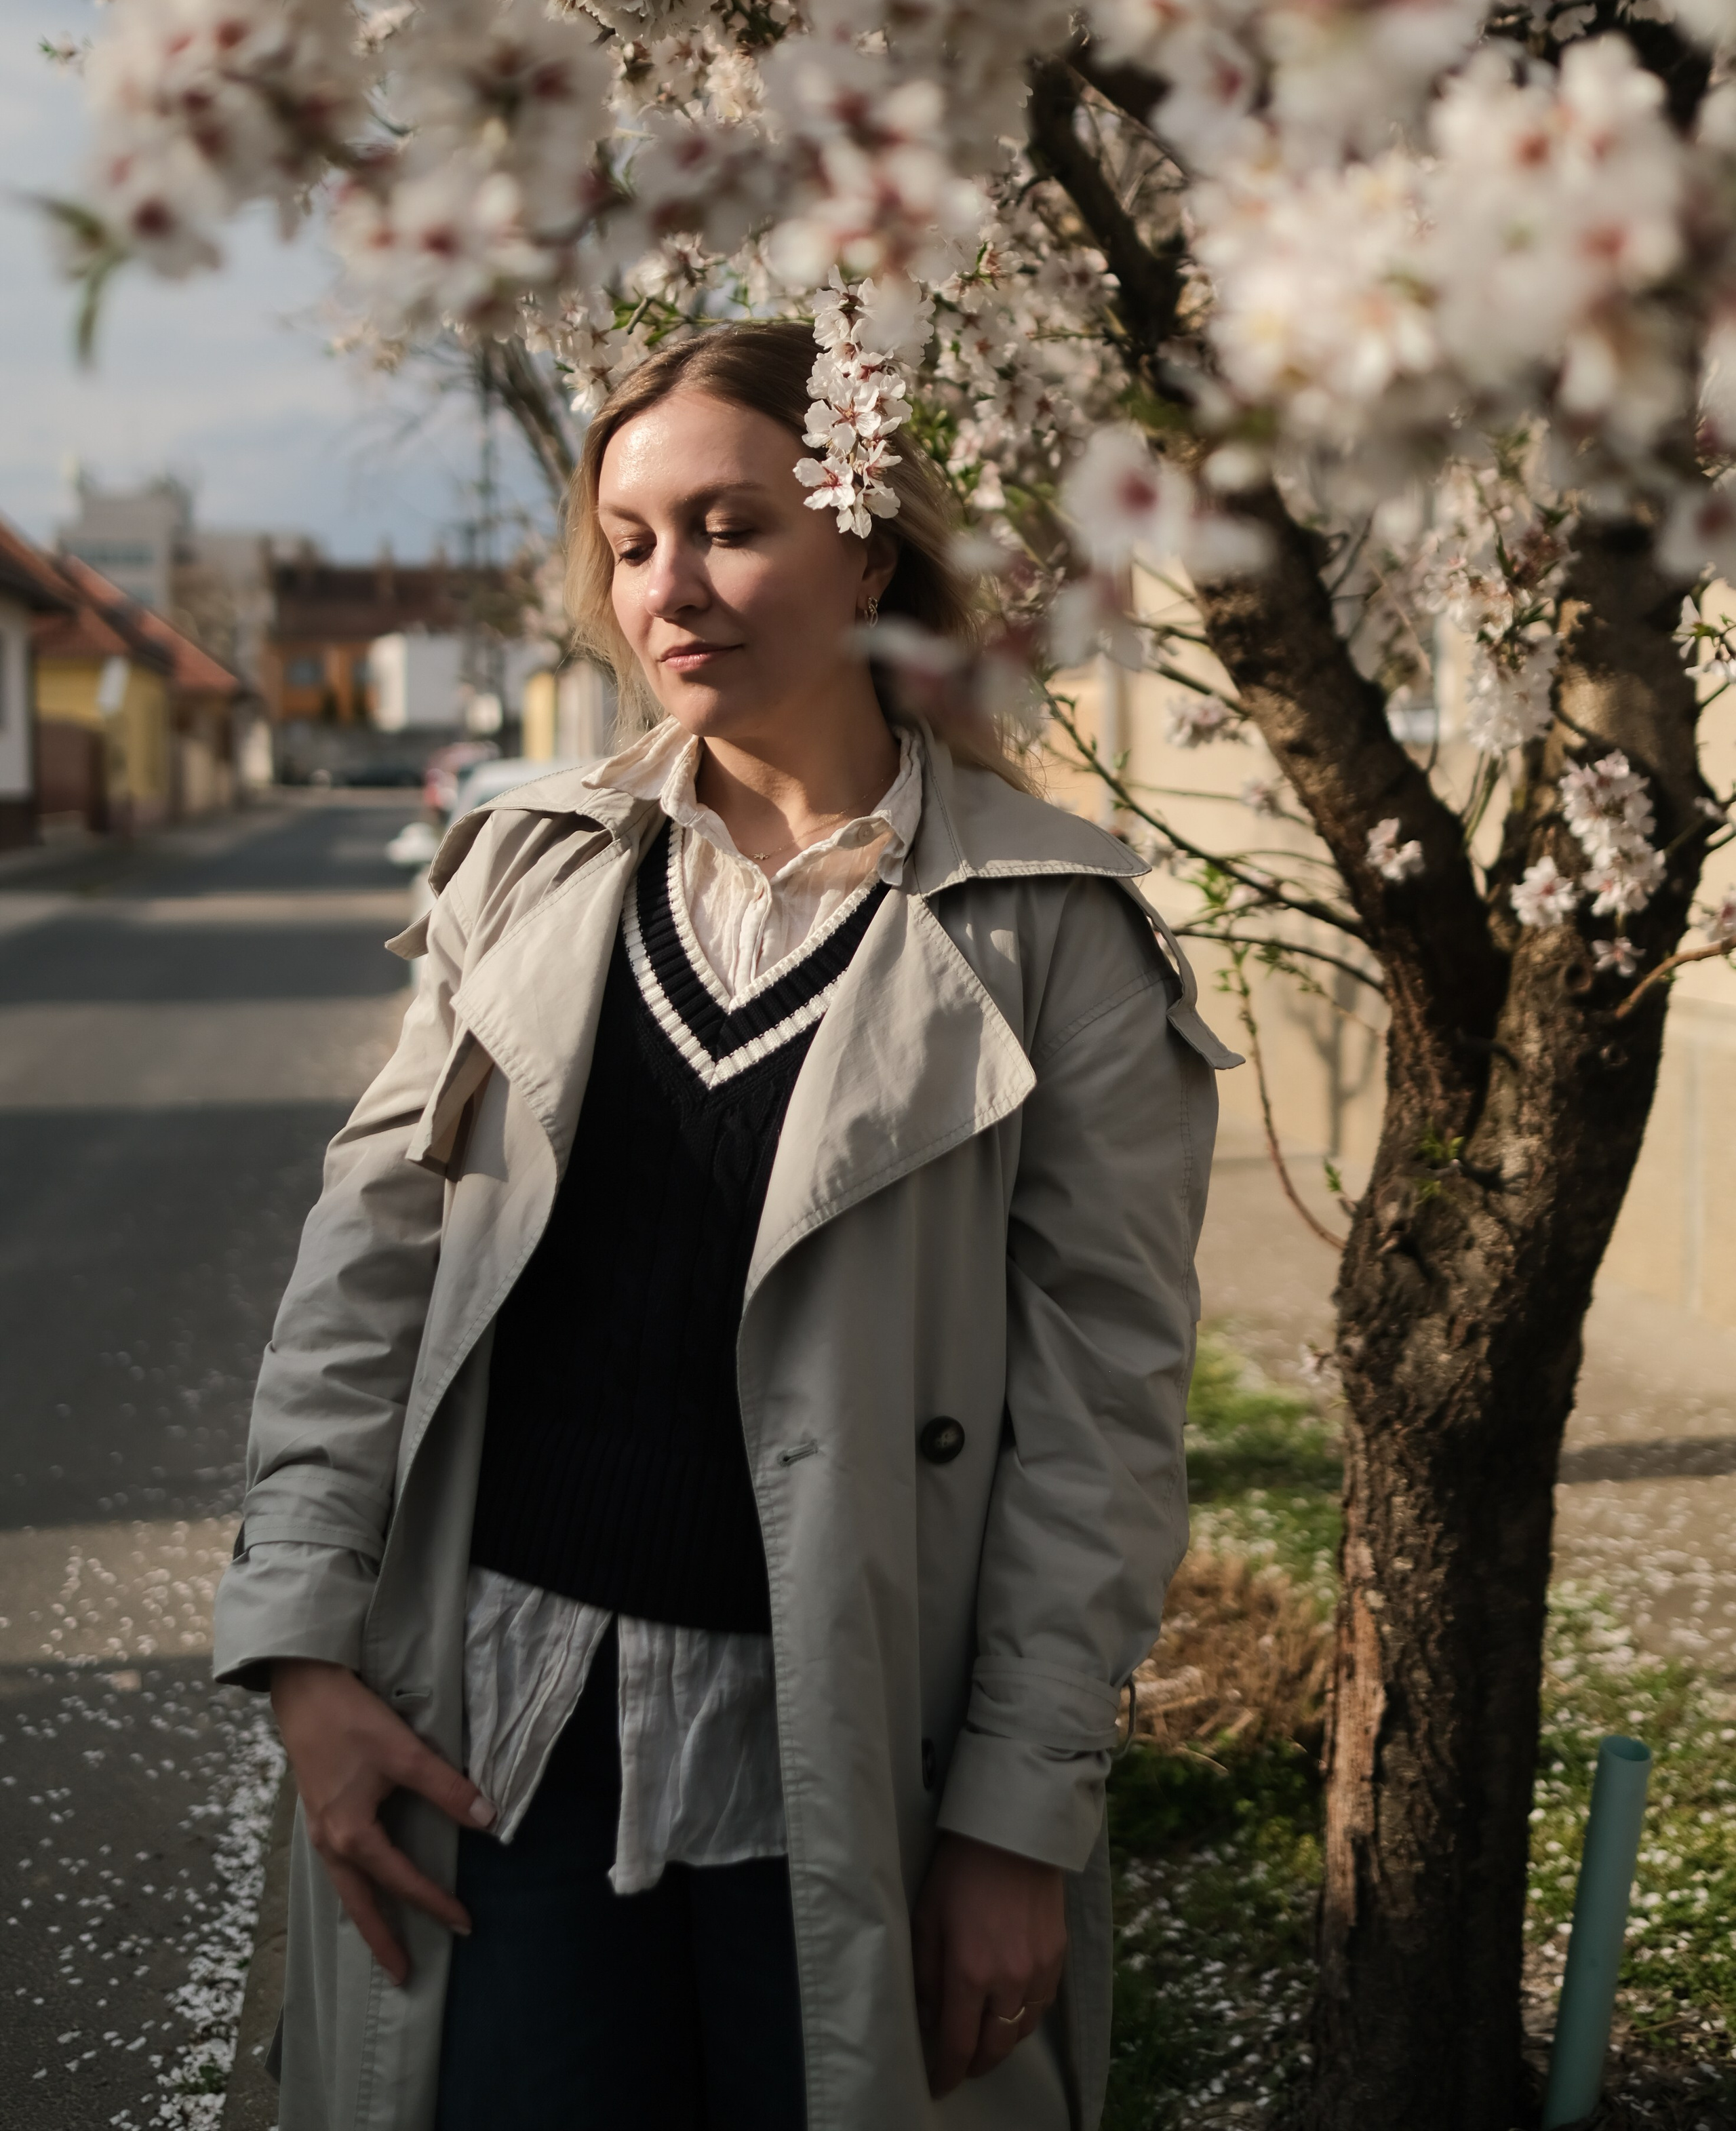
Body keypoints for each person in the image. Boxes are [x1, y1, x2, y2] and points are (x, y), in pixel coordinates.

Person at [212, 319, 1236, 2131]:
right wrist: (304, 1654)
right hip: (497, 1740)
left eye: (730, 525)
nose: (669, 587)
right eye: (630, 542)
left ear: (868, 539)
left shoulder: (1049, 928)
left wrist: (1018, 1814)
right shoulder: (525, 871)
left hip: (852, 1763)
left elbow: (1104, 1425)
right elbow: (360, 1283)